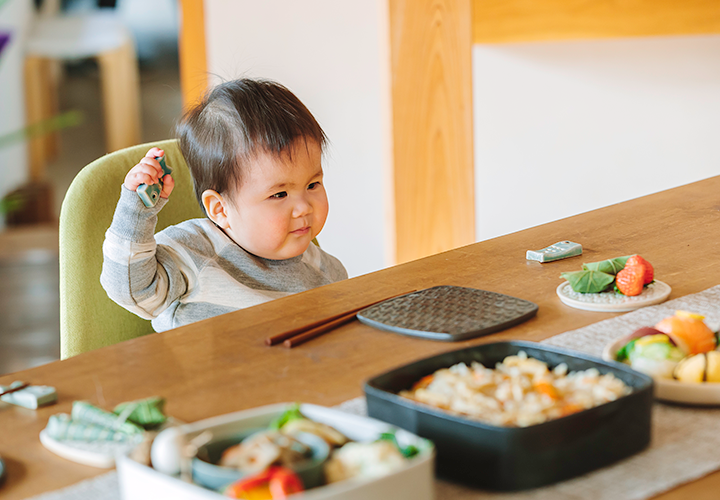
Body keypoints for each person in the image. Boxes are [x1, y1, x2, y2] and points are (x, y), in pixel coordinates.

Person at [101, 79, 348, 332]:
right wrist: (136, 211)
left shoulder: (328, 272)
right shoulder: (194, 252)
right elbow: (131, 290)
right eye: (280, 194)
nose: (304, 207)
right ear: (220, 209)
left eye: (313, 185)